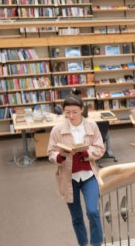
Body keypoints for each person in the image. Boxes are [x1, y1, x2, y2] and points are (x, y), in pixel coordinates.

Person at [48, 95, 106, 246]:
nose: (71, 116)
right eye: (67, 112)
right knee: (77, 217)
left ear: (82, 110)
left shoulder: (92, 126)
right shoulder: (57, 130)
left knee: (93, 212)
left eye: (74, 112)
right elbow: (51, 153)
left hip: (88, 175)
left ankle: (96, 242)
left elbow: (100, 149)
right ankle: (83, 243)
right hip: (69, 178)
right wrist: (60, 156)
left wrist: (86, 152)